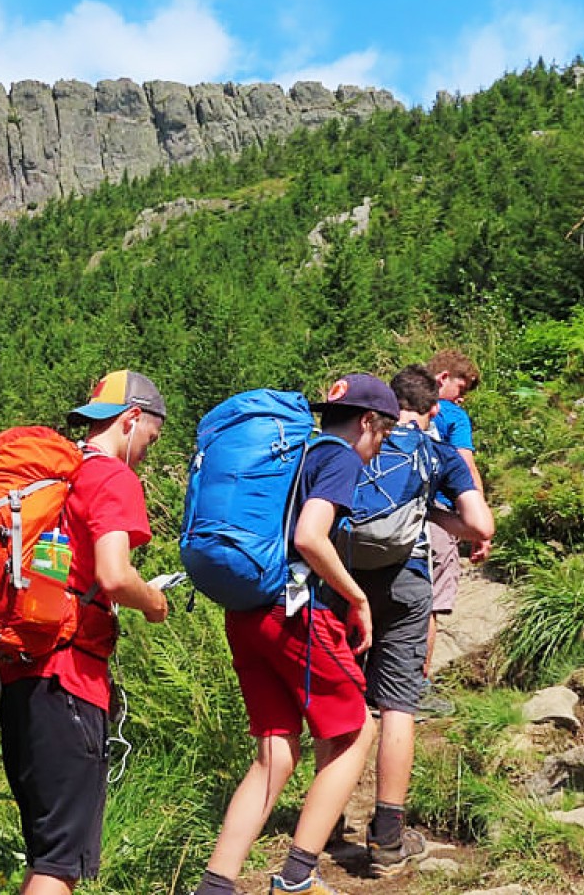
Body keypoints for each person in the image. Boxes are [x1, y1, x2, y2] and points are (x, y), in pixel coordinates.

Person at [192, 374, 399, 895]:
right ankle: (298, 877)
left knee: (275, 752)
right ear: (368, 422)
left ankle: (216, 886)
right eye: (385, 434)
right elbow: (310, 536)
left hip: (246, 614)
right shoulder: (340, 458)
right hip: (297, 616)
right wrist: (356, 598)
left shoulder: (294, 455)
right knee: (356, 732)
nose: (381, 448)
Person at [0, 370, 173, 894]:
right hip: (70, 682)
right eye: (151, 439)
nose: (147, 453)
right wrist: (154, 602)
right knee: (59, 866)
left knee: (46, 853)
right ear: (132, 418)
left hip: (21, 679)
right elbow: (114, 576)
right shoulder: (112, 478)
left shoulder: (58, 477)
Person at [353, 366, 494, 876]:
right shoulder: (438, 453)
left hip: (343, 583)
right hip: (405, 581)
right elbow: (479, 523)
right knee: (397, 707)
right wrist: (431, 512)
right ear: (434, 409)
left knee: (347, 698)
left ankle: (322, 822)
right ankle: (387, 839)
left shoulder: (357, 441)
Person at [423, 350, 487, 694]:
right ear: (443, 378)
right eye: (462, 388)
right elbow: (466, 466)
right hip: (438, 515)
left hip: (392, 509)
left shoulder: (397, 404)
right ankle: (417, 685)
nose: (462, 398)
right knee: (429, 600)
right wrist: (479, 525)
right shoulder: (453, 416)